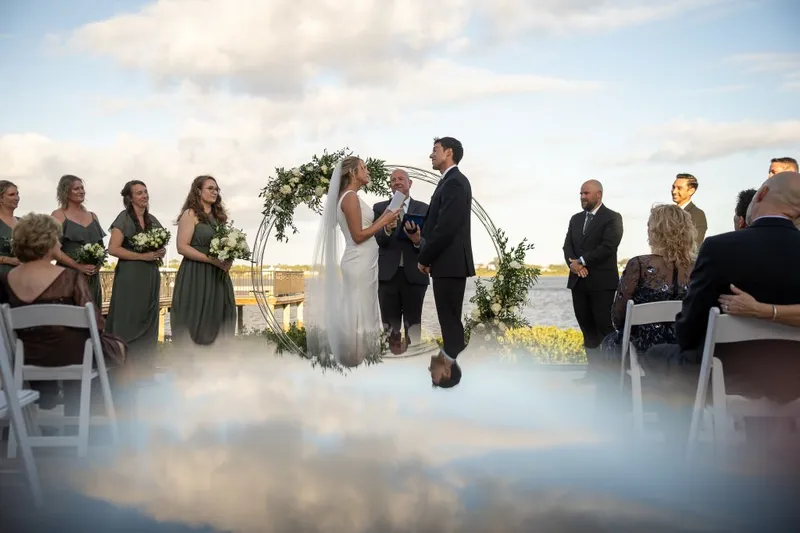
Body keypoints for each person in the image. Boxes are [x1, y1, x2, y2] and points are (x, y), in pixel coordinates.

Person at [644, 171, 800, 427]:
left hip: (727, 376)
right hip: (792, 378)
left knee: (657, 355)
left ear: (760, 195)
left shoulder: (720, 248)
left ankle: (679, 450)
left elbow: (689, 330)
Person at [0, 213, 126, 411]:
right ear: (49, 243)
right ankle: (93, 416)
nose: (59, 245)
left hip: (25, 357)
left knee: (47, 342)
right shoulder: (69, 277)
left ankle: (45, 410)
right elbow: (97, 324)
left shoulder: (6, 280)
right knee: (117, 348)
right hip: (72, 357)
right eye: (57, 240)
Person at [305, 157, 399, 367]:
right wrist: (383, 219)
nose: (367, 171)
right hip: (358, 261)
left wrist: (385, 223)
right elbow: (357, 235)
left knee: (363, 309)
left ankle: (362, 358)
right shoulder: (349, 198)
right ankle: (356, 360)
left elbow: (364, 231)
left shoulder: (352, 197)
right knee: (358, 313)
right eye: (363, 168)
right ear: (353, 173)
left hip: (365, 261)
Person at [602, 205, 695, 358]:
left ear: (654, 233)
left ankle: (619, 382)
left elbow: (618, 318)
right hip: (685, 346)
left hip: (644, 348)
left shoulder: (639, 265)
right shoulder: (699, 267)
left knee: (608, 342)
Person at [418, 137, 474, 388]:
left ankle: (452, 357)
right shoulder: (449, 182)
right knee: (448, 319)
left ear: (448, 153)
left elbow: (446, 228)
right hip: (447, 263)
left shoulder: (455, 183)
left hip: (449, 263)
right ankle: (452, 356)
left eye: (435, 150)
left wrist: (424, 258)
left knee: (449, 320)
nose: (431, 155)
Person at [563, 179, 623, 381]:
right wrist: (573, 264)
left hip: (602, 284)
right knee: (587, 329)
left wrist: (581, 261)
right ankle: (594, 373)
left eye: (586, 193)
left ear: (599, 194)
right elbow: (567, 247)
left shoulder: (613, 218)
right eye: (581, 193)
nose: (582, 197)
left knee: (605, 328)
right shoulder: (575, 219)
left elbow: (608, 247)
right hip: (578, 283)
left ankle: (611, 375)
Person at [170, 176, 236, 345]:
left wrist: (229, 256)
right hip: (196, 274)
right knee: (196, 317)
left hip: (218, 275)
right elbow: (182, 247)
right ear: (198, 191)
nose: (215, 192)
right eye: (210, 188)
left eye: (217, 189)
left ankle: (217, 363)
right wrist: (210, 260)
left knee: (220, 317)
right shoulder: (190, 214)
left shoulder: (218, 217)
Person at [106, 180, 166, 365]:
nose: (144, 196)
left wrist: (160, 251)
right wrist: (142, 256)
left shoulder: (153, 220)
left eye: (146, 192)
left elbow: (160, 243)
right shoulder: (123, 218)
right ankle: (123, 365)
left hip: (150, 275)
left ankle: (145, 365)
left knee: (149, 316)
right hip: (130, 275)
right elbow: (113, 249)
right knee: (128, 317)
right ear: (130, 197)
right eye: (139, 193)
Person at [373, 169, 429, 351]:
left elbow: (431, 242)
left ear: (410, 183)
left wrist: (417, 241)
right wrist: (387, 230)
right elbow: (378, 240)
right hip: (388, 277)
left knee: (413, 327)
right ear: (390, 185)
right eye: (393, 180)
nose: (396, 182)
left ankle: (413, 365)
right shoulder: (380, 208)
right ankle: (393, 366)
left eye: (401, 179)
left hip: (415, 276)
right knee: (390, 328)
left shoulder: (424, 208)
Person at [50, 175, 107, 308]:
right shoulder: (58, 215)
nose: (81, 191)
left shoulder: (93, 216)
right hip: (69, 276)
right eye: (76, 188)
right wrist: (78, 266)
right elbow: (53, 249)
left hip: (92, 278)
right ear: (65, 192)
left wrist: (97, 265)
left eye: (82, 188)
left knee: (93, 317)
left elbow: (101, 248)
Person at [671, 173, 707, 245]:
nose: (674, 191)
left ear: (691, 191)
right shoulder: (667, 213)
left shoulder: (697, 214)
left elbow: (694, 244)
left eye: (679, 188)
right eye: (673, 187)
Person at [0, 180, 20, 275]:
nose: (17, 198)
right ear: (1, 198)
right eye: (11, 195)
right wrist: (8, 260)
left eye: (17, 194)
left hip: (21, 277)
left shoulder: (23, 222)